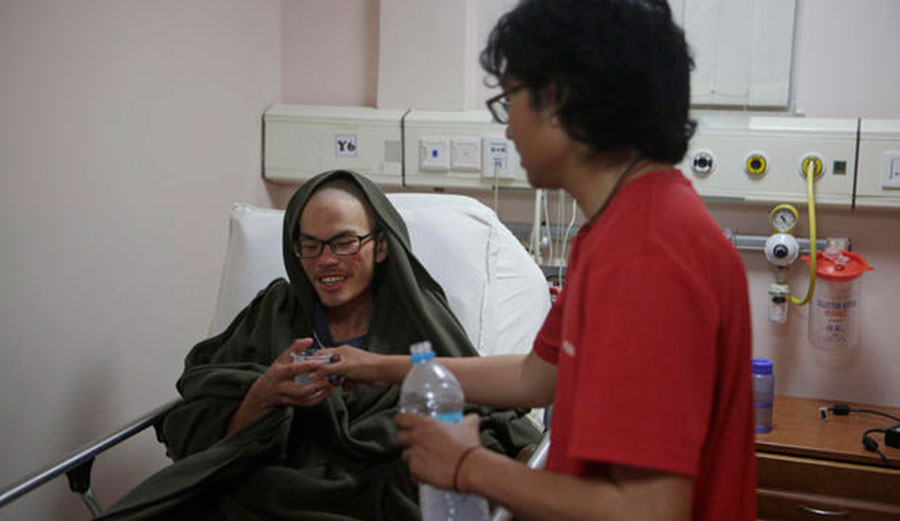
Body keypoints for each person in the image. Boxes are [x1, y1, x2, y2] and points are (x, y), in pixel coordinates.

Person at [313, 1, 756, 520]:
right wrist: (382, 368)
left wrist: (466, 466)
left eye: (509, 101)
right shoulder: (621, 228)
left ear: (559, 97)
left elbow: (650, 510)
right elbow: (536, 377)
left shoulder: (645, 254)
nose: (507, 130)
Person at [96, 170, 539, 521]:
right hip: (265, 488)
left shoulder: (416, 316)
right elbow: (196, 431)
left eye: (344, 242)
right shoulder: (273, 311)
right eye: (310, 246)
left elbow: (483, 414)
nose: (326, 260)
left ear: (380, 246)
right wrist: (262, 394)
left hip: (378, 495)